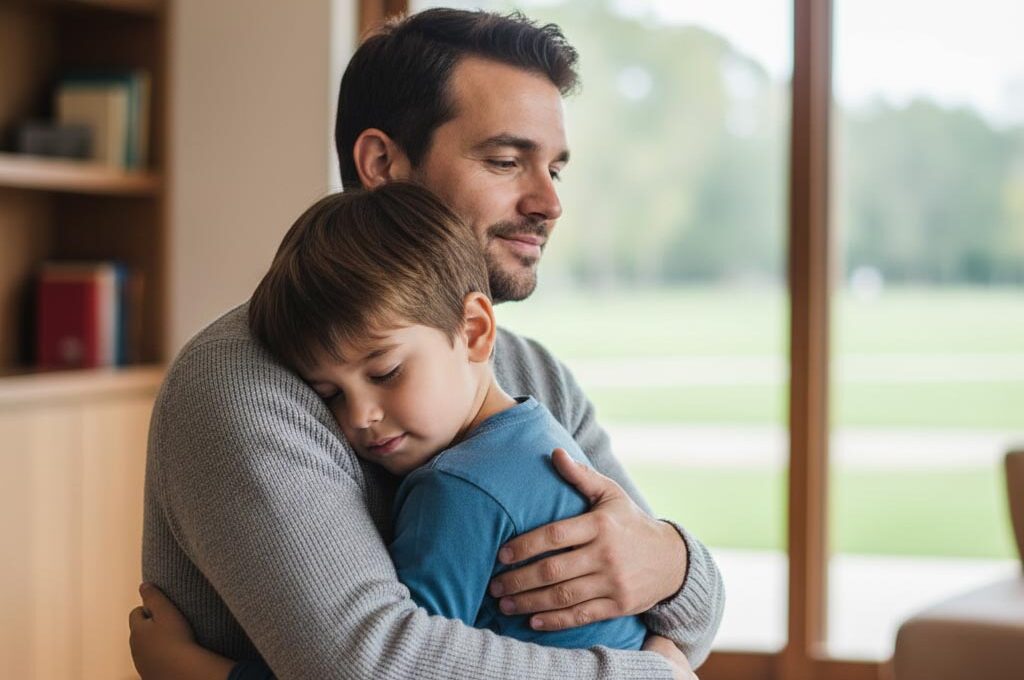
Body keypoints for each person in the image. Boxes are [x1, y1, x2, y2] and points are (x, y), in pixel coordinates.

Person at [131, 8, 724, 680]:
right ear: (382, 162)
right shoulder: (244, 380)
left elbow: (682, 618)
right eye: (506, 160)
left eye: (554, 170)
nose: (548, 202)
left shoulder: (531, 373)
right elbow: (376, 664)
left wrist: (672, 562)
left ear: (473, 330)